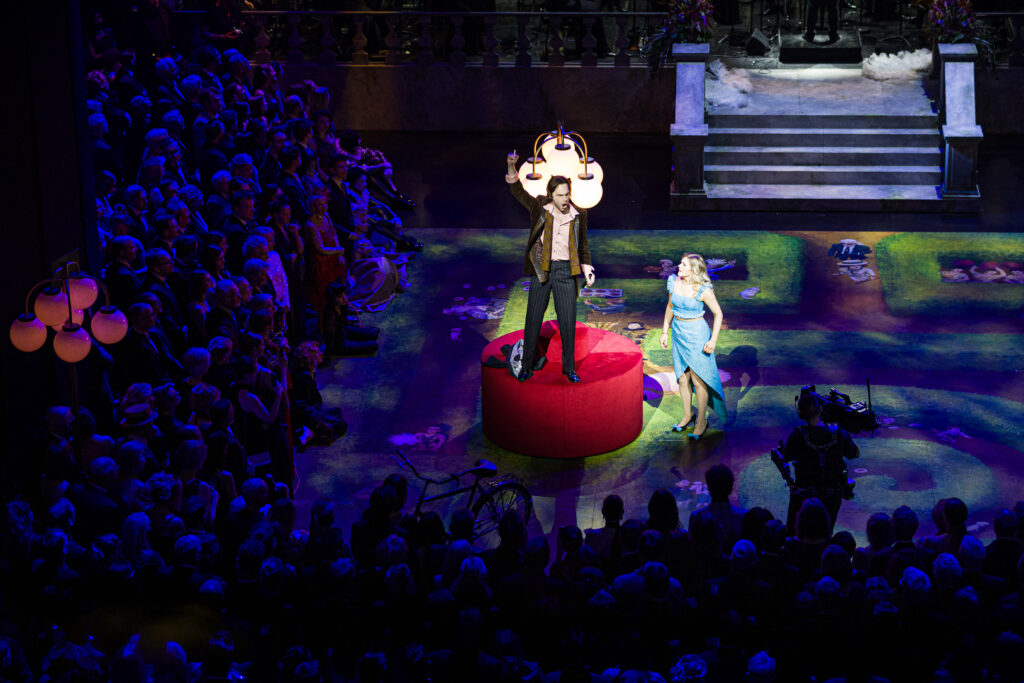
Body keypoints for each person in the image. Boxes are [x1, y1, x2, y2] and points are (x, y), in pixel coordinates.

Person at [505, 152, 595, 384]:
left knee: (567, 321)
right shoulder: (539, 207)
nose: (565, 199)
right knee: (533, 317)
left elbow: (583, 245)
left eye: (567, 194)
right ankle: (526, 365)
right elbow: (517, 191)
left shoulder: (579, 214)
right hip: (542, 270)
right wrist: (511, 167)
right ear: (551, 195)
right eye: (560, 195)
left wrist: (587, 267)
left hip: (566, 272)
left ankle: (569, 369)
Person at [659, 253, 726, 440]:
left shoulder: (703, 290)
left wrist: (713, 340)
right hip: (678, 333)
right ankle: (688, 415)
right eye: (680, 263)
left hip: (697, 335)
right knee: (682, 378)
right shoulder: (674, 282)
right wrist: (664, 331)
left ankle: (701, 422)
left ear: (693, 269)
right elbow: (670, 306)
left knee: (698, 380)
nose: (679, 267)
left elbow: (718, 314)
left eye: (684, 264)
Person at [781, 393, 860, 533]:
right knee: (825, 533)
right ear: (821, 409)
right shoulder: (838, 432)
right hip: (832, 497)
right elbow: (855, 453)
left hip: (803, 497)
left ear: (800, 413)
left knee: (794, 533)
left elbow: (786, 456)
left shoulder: (797, 435)